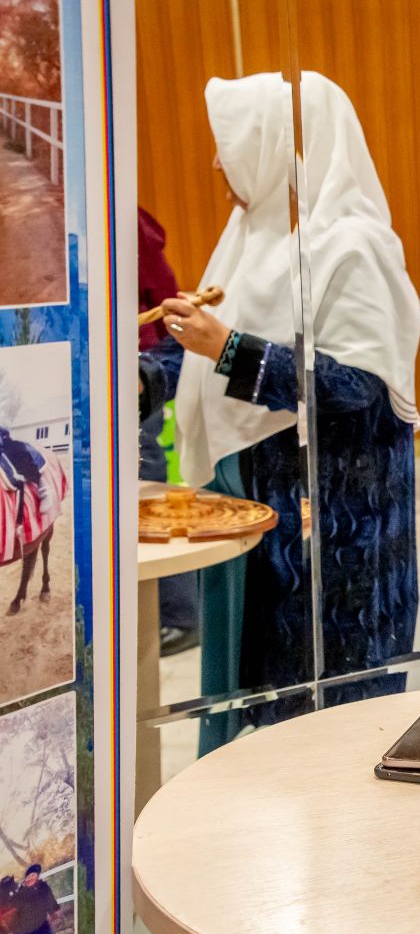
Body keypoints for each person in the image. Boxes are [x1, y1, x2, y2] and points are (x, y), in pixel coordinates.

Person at [140, 73, 420, 751]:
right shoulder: (257, 240)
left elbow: (359, 385)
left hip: (340, 533)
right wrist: (146, 378)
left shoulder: (352, 247)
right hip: (266, 521)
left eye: (229, 145)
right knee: (271, 701)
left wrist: (229, 347)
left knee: (336, 715)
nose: (216, 163)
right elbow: (210, 349)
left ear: (274, 147)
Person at [137, 206, 199, 657]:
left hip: (135, 371)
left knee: (151, 491)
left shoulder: (118, 216)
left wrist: (154, 369)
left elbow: (161, 290)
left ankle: (181, 614)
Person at [7, 865, 57, 934]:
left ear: (37, 876)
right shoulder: (20, 893)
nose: (30, 878)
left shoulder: (44, 887)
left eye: (33, 875)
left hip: (39, 926)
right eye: (28, 876)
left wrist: (53, 912)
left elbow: (50, 901)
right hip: (23, 931)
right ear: (25, 879)